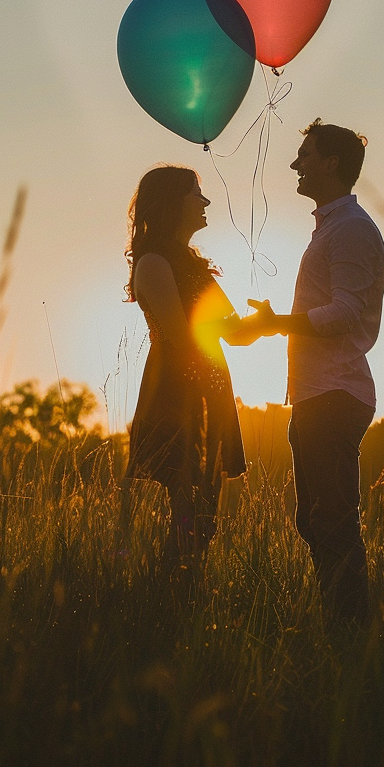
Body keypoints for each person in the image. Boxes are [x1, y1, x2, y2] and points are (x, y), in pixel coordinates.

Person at [247, 120, 384, 623]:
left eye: (304, 155)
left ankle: (351, 641)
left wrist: (271, 325)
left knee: (332, 523)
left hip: (334, 394)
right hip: (315, 395)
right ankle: (341, 629)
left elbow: (345, 312)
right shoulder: (333, 227)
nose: (294, 164)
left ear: (331, 163)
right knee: (314, 521)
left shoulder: (350, 230)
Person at [124, 164, 259, 584]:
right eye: (196, 194)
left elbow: (236, 333)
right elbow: (182, 340)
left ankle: (178, 597)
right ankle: (167, 601)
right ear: (171, 203)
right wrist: (227, 324)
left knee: (205, 518)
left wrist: (288, 322)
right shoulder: (154, 262)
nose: (205, 203)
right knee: (191, 514)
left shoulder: (194, 265)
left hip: (211, 388)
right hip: (176, 394)